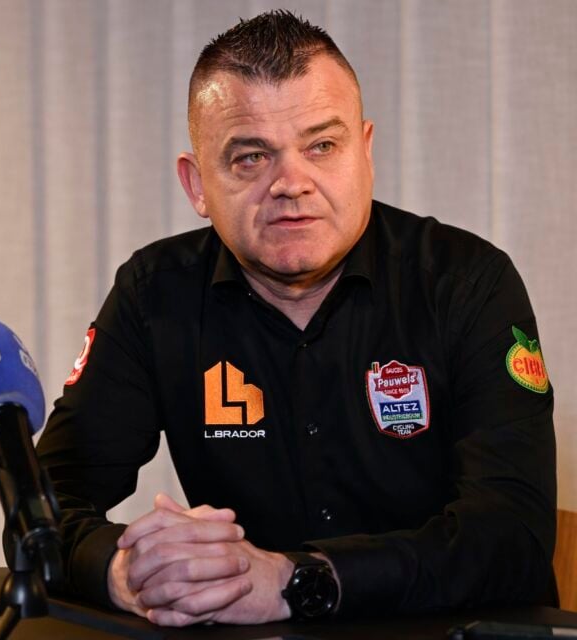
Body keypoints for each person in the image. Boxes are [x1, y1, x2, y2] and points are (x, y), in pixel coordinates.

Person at [36, 10, 556, 627]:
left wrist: (296, 580)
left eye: (322, 146)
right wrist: (122, 572)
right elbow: (43, 506)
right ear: (197, 184)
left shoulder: (466, 282)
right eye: (252, 157)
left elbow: (513, 537)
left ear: (365, 152)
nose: (292, 182)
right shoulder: (156, 296)